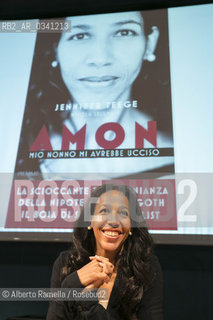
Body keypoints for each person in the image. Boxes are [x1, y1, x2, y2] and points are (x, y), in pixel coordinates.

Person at [15, 10, 174, 180]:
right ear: (55, 48)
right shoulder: (16, 140)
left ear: (150, 43)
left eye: (124, 33)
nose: (100, 58)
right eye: (80, 35)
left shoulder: (176, 154)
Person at [46, 184, 163, 319]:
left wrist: (88, 299)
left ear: (131, 226)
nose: (113, 221)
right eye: (104, 211)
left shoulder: (144, 267)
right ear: (89, 222)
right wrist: (72, 283)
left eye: (123, 213)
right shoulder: (66, 263)